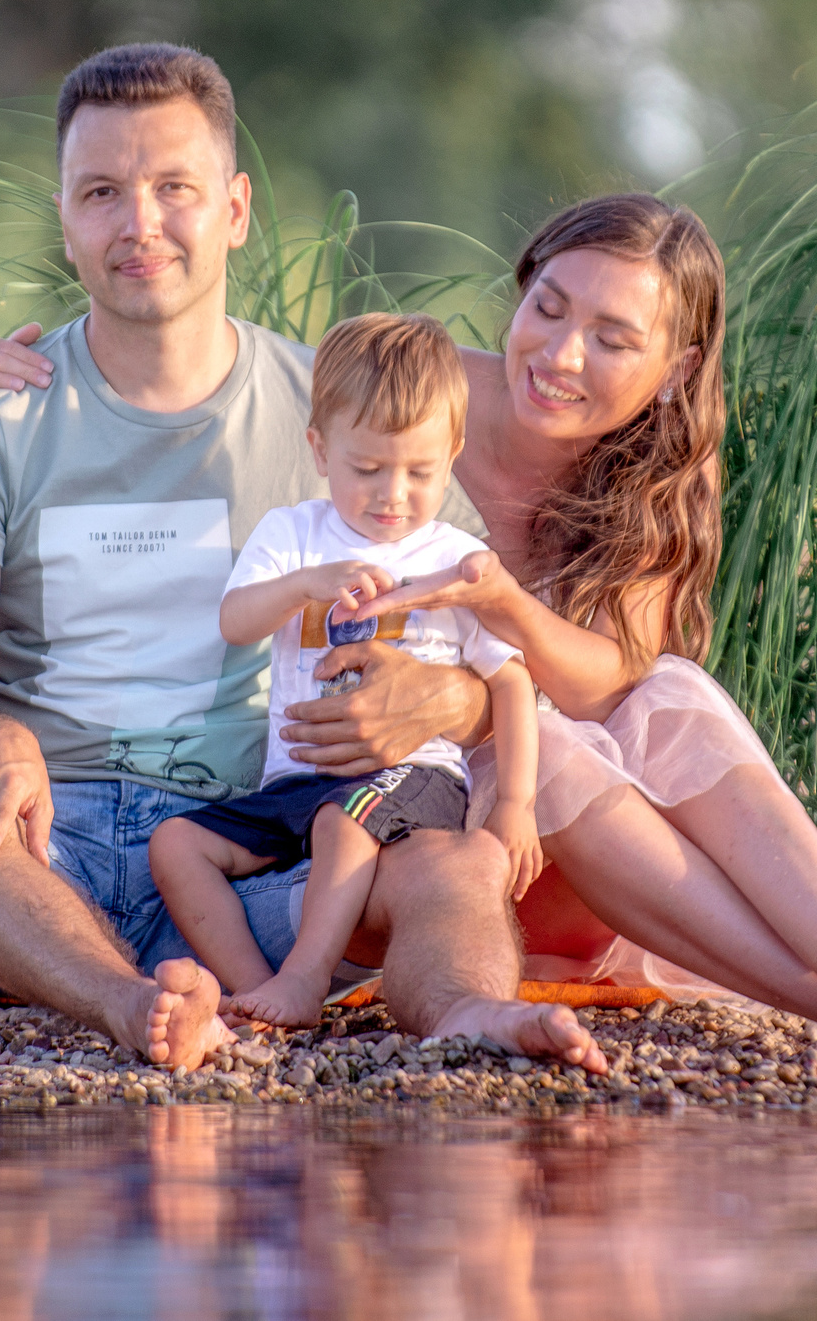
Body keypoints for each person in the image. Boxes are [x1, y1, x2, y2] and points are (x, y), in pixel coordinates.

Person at [0, 194, 817, 1055]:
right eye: (548, 307)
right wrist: (4, 377)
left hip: (542, 826)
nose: (560, 355)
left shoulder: (654, 481)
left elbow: (606, 683)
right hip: (409, 818)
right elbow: (210, 380)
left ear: (678, 370)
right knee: (544, 736)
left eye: (614, 337)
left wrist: (490, 630)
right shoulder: (411, 401)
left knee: (669, 692)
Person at [0, 41, 606, 1073]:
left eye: (173, 187)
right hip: (38, 853)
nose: (139, 224)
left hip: (257, 850)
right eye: (101, 192)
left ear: (233, 207)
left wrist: (438, 702)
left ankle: (468, 1012)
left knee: (452, 857)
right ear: (64, 217)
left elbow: (484, 651)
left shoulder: (336, 417)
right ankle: (134, 1007)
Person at [149, 311, 542, 1028]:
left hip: (411, 778)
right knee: (175, 843)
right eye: (368, 469)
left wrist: (515, 802)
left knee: (344, 817)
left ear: (453, 451)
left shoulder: (451, 558)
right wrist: (305, 585)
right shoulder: (295, 535)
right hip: (294, 781)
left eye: (420, 471)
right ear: (320, 448)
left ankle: (305, 978)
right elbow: (236, 620)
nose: (393, 494)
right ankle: (255, 990)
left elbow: (511, 680)